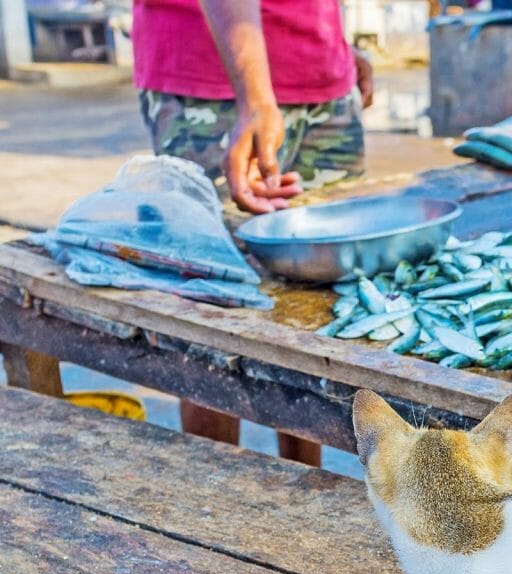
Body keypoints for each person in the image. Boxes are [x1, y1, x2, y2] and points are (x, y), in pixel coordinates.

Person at [131, 0, 373, 464]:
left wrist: (334, 42)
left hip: (319, 77)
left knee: (317, 306)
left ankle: (303, 490)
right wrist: (256, 95)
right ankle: (215, 501)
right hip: (212, 83)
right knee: (209, 309)